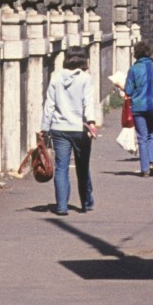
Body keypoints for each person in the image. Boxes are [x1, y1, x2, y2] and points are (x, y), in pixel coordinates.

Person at [40, 46, 98, 215]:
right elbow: (88, 102)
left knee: (61, 167)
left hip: (59, 128)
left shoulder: (55, 77)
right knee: (82, 165)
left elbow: (49, 104)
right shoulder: (86, 79)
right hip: (79, 129)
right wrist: (92, 122)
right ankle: (86, 202)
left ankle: (62, 206)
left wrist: (45, 128)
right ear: (84, 60)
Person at [124, 41, 153, 177]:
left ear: (136, 54)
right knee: (152, 134)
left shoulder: (133, 69)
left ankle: (145, 168)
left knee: (142, 137)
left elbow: (128, 90)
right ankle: (152, 162)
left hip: (138, 106)